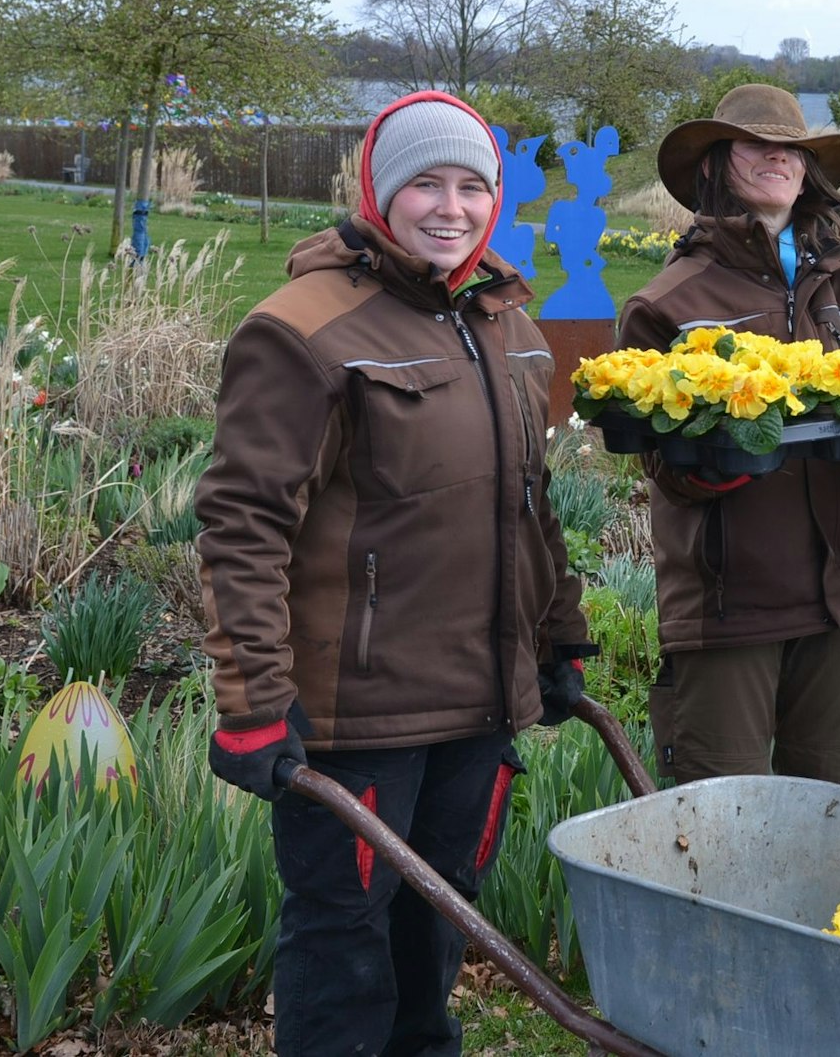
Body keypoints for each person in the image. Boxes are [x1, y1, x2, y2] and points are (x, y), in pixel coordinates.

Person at [195, 90, 596, 1057]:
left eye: (472, 186)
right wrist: (253, 699)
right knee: (344, 944)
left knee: (438, 931)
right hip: (360, 712)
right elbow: (244, 525)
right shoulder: (304, 329)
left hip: (480, 699)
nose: (451, 208)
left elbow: (531, 504)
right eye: (426, 184)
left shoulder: (507, 322)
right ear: (379, 191)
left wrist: (559, 634)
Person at [618, 83, 840, 787]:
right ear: (714, 163)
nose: (778, 157)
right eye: (755, 144)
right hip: (729, 610)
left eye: (792, 148)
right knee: (719, 826)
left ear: (808, 168)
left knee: (829, 817)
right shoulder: (669, 303)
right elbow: (661, 463)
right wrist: (715, 460)